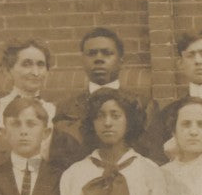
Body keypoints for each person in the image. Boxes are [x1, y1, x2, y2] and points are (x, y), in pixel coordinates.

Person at [53, 27, 148, 168]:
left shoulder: (142, 104)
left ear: (121, 60)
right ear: (83, 60)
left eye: (107, 53)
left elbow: (148, 152)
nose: (98, 59)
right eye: (91, 54)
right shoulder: (66, 108)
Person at [0, 40, 58, 126]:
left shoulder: (53, 111)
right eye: (26, 64)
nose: (35, 73)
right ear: (8, 71)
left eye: (40, 65)